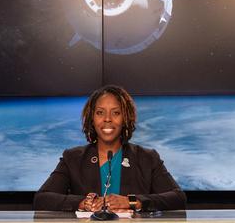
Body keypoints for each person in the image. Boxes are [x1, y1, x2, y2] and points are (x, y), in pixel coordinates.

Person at [35, 85, 185, 212]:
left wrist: (132, 202)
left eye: (116, 113)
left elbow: (178, 198)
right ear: (92, 119)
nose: (107, 119)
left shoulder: (147, 158)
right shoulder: (73, 158)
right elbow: (42, 199)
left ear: (126, 118)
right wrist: (82, 203)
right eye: (100, 113)